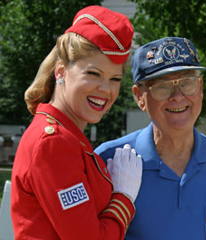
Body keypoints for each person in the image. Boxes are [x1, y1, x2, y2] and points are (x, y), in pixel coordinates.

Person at [10, 5, 142, 240]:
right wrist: (123, 198)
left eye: (115, 79)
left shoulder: (67, 138)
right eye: (93, 74)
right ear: (61, 71)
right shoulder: (53, 144)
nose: (105, 89)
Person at [95, 37, 206, 240]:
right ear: (140, 97)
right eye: (162, 87)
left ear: (200, 88)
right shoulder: (108, 160)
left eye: (187, 83)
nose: (177, 96)